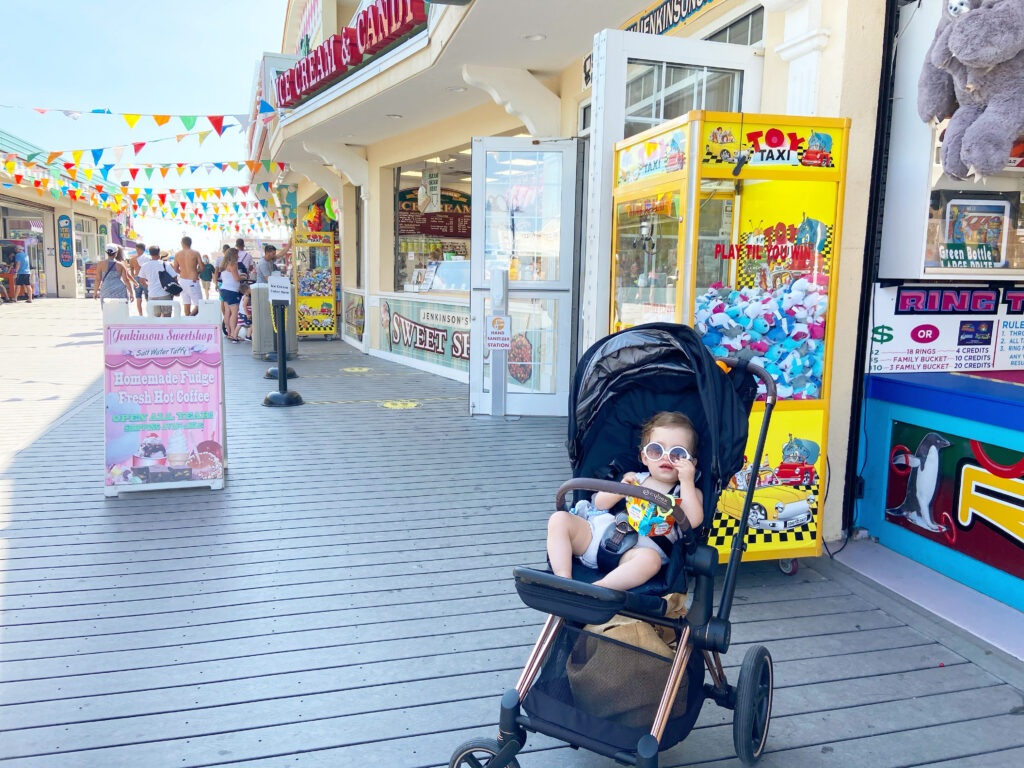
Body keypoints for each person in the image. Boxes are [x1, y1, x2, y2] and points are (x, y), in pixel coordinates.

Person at [546, 411, 703, 591]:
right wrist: (620, 490)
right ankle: (563, 579)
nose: (666, 457)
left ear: (691, 463)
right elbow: (599, 504)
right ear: (645, 457)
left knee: (650, 560)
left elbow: (693, 521)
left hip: (635, 555)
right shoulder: (634, 477)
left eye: (678, 454)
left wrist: (687, 481)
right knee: (559, 519)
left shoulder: (687, 492)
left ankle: (597, 589)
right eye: (656, 450)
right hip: (598, 536)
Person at [137, 245, 178, 317]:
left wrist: (149, 285)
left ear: (150, 254)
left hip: (152, 294)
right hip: (165, 293)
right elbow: (175, 277)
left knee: (155, 317)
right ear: (159, 253)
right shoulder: (165, 264)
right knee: (167, 316)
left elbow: (141, 280)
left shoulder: (145, 265)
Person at [173, 236, 204, 316]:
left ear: (182, 243)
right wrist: (196, 272)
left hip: (182, 280)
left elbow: (175, 268)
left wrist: (182, 272)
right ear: (190, 243)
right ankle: (190, 318)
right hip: (192, 279)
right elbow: (202, 268)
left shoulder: (177, 254)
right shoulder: (195, 253)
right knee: (200, 304)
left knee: (186, 302)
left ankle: (187, 319)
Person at [218, 248, 242, 342]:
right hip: (232, 290)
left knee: (227, 312)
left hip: (224, 290)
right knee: (234, 312)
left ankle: (229, 333)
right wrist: (243, 276)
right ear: (233, 255)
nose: (238, 256)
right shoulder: (233, 264)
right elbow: (236, 278)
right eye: (237, 254)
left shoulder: (224, 265)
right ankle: (233, 334)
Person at [129, 242, 149, 315]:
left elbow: (131, 270)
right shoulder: (148, 258)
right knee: (148, 297)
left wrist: (133, 278)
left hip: (137, 277)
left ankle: (140, 314)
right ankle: (149, 313)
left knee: (138, 297)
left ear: (137, 249)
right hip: (146, 278)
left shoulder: (133, 259)